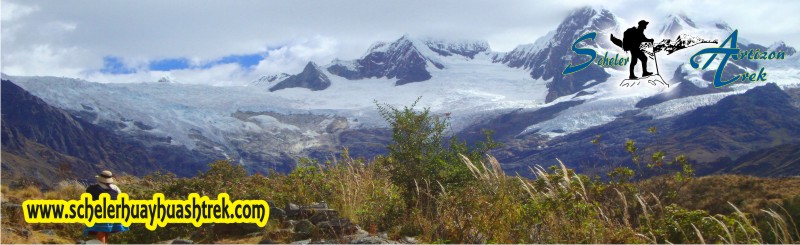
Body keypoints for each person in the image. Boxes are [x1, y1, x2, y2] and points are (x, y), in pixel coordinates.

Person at [83, 170, 129, 244]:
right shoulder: (115, 188)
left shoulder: (92, 189)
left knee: (100, 231)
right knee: (106, 230)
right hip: (113, 212)